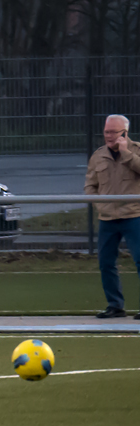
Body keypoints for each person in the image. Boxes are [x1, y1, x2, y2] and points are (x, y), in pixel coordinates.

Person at [84, 114, 140, 319]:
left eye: (113, 132)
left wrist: (126, 153)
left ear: (124, 133)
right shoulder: (98, 156)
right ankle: (115, 306)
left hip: (135, 215)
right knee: (106, 262)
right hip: (107, 218)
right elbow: (90, 184)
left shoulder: (137, 152)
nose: (108, 136)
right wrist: (99, 203)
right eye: (106, 131)